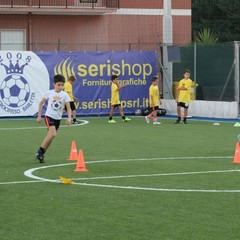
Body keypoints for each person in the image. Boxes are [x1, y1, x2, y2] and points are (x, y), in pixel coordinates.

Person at [35, 74, 72, 163]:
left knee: (50, 136)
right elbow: (41, 103)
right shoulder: (49, 93)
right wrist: (39, 116)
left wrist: (69, 118)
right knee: (53, 134)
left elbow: (69, 108)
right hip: (49, 116)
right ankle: (40, 152)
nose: (60, 87)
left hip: (57, 119)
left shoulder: (65, 95)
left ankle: (40, 153)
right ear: (54, 84)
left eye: (62, 85)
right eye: (58, 85)